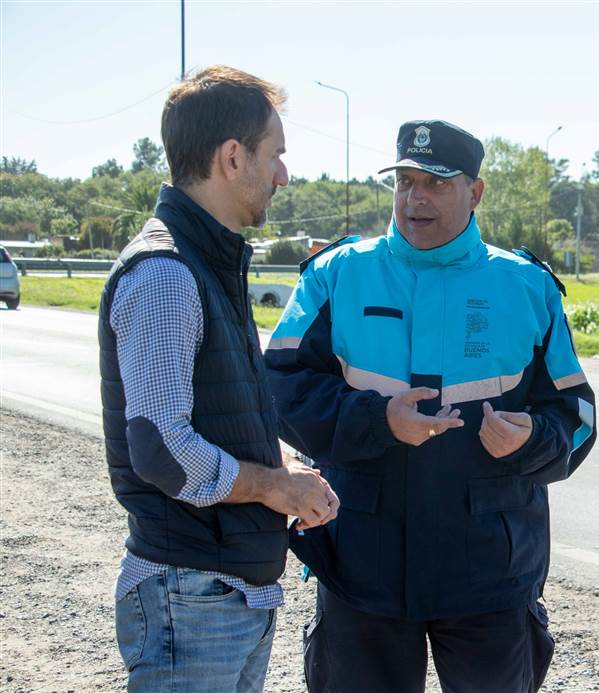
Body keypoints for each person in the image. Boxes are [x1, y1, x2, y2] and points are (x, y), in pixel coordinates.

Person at [264, 119, 597, 692]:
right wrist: (378, 421)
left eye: (437, 183)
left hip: (490, 573)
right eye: (405, 181)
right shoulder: (337, 274)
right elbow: (278, 389)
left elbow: (578, 420)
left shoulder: (526, 286)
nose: (416, 198)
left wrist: (532, 439)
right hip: (361, 570)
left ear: (476, 192)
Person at [98, 65, 339, 692]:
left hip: (220, 590)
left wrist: (279, 466)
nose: (284, 173)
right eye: (276, 154)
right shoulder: (166, 274)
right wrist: (273, 488)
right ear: (233, 157)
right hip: (191, 593)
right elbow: (162, 448)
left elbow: (206, 417)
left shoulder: (207, 262)